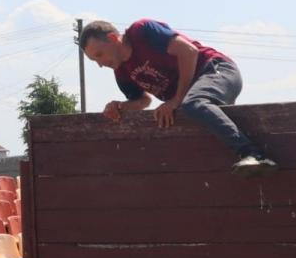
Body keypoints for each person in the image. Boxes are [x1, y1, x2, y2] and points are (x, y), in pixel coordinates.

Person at [78, 19, 277, 178]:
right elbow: (143, 101)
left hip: (216, 70)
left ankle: (255, 154)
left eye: (99, 54)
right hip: (193, 96)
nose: (100, 64)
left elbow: (189, 51)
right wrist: (120, 107)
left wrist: (175, 100)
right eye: (94, 60)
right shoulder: (121, 72)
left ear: (113, 38)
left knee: (192, 104)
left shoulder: (141, 31)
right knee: (189, 109)